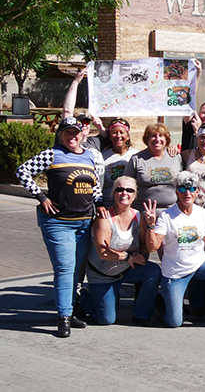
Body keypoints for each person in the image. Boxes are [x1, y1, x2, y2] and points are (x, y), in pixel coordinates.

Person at [16, 117, 105, 337]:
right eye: (67, 133)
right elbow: (22, 172)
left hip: (84, 223)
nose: (72, 136)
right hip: (59, 223)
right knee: (65, 268)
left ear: (82, 134)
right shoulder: (52, 154)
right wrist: (41, 197)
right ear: (61, 135)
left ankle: (70, 309)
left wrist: (100, 204)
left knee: (76, 269)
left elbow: (92, 186)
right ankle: (63, 316)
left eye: (76, 132)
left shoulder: (89, 156)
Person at [145, 171, 205, 331]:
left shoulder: (203, 213)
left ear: (197, 191)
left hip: (199, 265)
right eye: (183, 189)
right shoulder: (167, 215)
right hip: (175, 272)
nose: (188, 193)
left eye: (191, 188)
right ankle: (163, 304)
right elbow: (153, 247)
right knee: (174, 322)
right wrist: (150, 225)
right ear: (177, 192)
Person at [80, 176, 161, 326]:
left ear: (135, 195)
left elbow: (145, 245)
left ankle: (141, 314)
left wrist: (142, 255)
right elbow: (103, 253)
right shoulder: (104, 218)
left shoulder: (138, 217)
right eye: (120, 189)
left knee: (153, 271)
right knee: (106, 320)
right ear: (113, 193)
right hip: (103, 274)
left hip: (126, 270)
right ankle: (83, 298)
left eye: (129, 190)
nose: (125, 193)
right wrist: (128, 256)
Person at [124, 123, 183, 212]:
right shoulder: (137, 159)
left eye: (161, 136)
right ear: (147, 139)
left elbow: (182, 183)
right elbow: (126, 185)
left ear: (166, 139)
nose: (157, 139)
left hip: (172, 212)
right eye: (153, 136)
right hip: (143, 211)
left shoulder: (176, 157)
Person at [100, 118, 138, 207]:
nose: (118, 136)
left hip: (130, 205)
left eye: (122, 132)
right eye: (114, 132)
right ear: (109, 136)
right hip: (108, 205)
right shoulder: (102, 156)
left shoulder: (136, 155)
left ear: (128, 136)